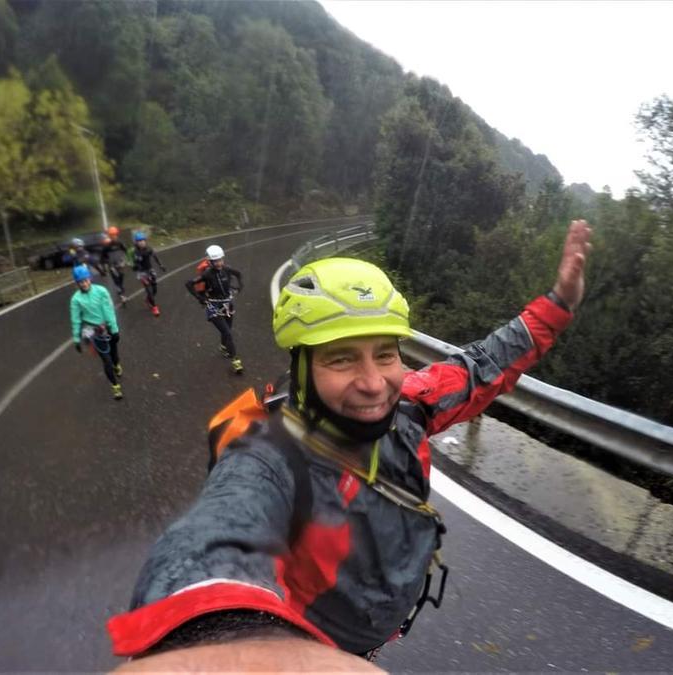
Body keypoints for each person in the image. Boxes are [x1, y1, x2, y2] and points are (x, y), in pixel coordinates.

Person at [107, 220, 593, 667]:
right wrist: (222, 640)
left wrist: (560, 303)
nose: (374, 383)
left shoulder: (410, 406)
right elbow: (208, 546)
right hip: (316, 651)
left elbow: (482, 365)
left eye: (385, 354)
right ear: (301, 368)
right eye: (341, 359)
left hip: (376, 632)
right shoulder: (269, 456)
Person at [185, 244, 244, 374]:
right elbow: (189, 284)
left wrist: (240, 286)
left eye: (220, 260)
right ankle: (235, 360)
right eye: (216, 261)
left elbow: (239, 274)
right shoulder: (206, 274)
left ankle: (223, 347)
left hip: (228, 304)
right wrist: (200, 298)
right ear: (210, 262)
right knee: (228, 333)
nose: (219, 263)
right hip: (213, 306)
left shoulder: (227, 269)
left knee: (227, 331)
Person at [70, 264, 124, 400]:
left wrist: (114, 329)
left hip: (107, 326)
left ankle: (117, 364)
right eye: (80, 282)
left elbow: (108, 310)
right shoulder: (76, 299)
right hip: (92, 331)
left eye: (85, 280)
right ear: (77, 283)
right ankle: (115, 387)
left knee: (113, 354)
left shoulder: (101, 291)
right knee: (106, 360)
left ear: (90, 279)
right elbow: (76, 319)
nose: (84, 284)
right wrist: (76, 339)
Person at [131, 231, 166, 317]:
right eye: (140, 241)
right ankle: (154, 307)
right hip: (142, 273)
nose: (142, 242)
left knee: (154, 289)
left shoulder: (149, 249)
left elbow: (155, 257)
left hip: (150, 270)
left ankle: (148, 299)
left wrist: (161, 265)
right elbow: (134, 263)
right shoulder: (135, 252)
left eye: (143, 240)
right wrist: (135, 266)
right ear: (136, 242)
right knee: (149, 290)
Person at [101, 226, 129, 306]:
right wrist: (104, 268)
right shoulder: (107, 246)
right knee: (116, 280)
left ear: (117, 235)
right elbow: (102, 257)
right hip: (112, 266)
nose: (113, 237)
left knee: (121, 279)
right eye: (111, 235)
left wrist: (126, 260)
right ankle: (122, 295)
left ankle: (120, 290)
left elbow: (126, 251)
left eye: (115, 235)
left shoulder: (120, 243)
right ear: (109, 236)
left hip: (120, 264)